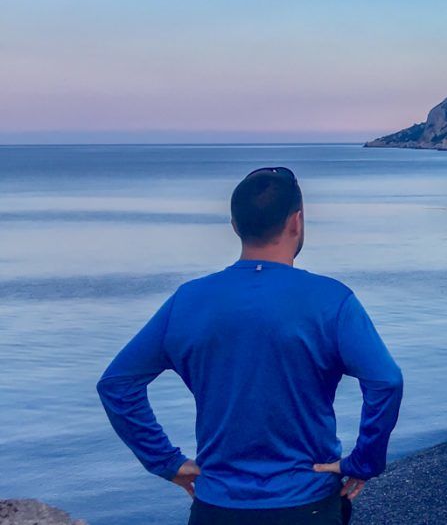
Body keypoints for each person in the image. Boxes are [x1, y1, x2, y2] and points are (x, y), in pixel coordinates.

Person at [97, 166, 404, 524]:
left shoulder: (188, 301)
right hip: (307, 503)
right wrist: (364, 461)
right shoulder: (331, 301)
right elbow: (386, 382)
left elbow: (117, 385)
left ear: (235, 226)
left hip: (218, 506)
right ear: (297, 222)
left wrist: (166, 461)